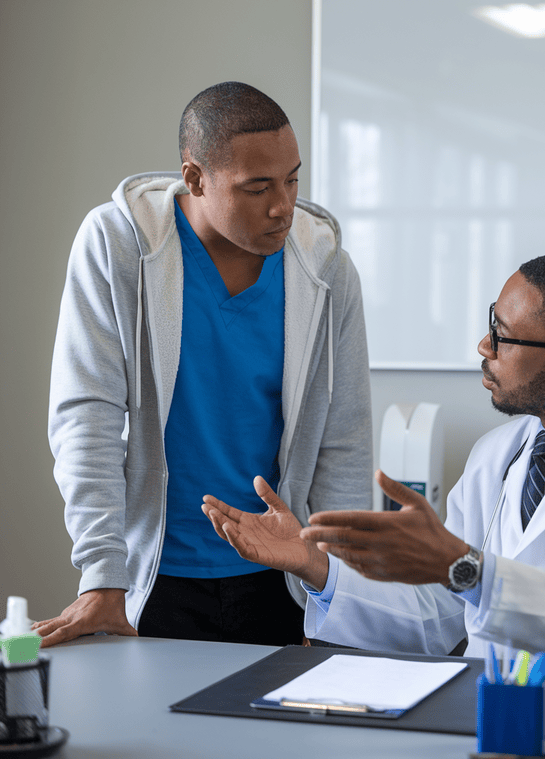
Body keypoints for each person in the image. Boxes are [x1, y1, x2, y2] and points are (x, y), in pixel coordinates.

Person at [202, 252, 545, 665]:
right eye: (490, 322)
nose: (483, 345)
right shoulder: (499, 454)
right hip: (493, 714)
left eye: (503, 337)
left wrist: (468, 570)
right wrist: (314, 565)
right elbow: (438, 616)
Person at [35, 82, 372, 648]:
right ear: (194, 178)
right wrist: (102, 573)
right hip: (150, 578)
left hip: (281, 580)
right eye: (257, 188)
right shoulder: (118, 245)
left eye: (292, 179)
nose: (283, 205)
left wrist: (335, 588)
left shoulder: (329, 272)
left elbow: (344, 440)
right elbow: (85, 416)